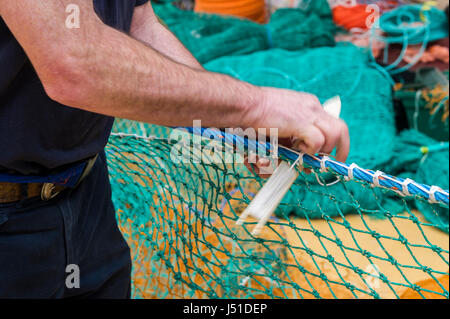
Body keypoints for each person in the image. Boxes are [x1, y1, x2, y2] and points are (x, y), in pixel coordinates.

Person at [0, 0, 349, 298]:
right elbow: (74, 61)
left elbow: (138, 24)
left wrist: (233, 124)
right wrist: (254, 106)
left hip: (84, 188)